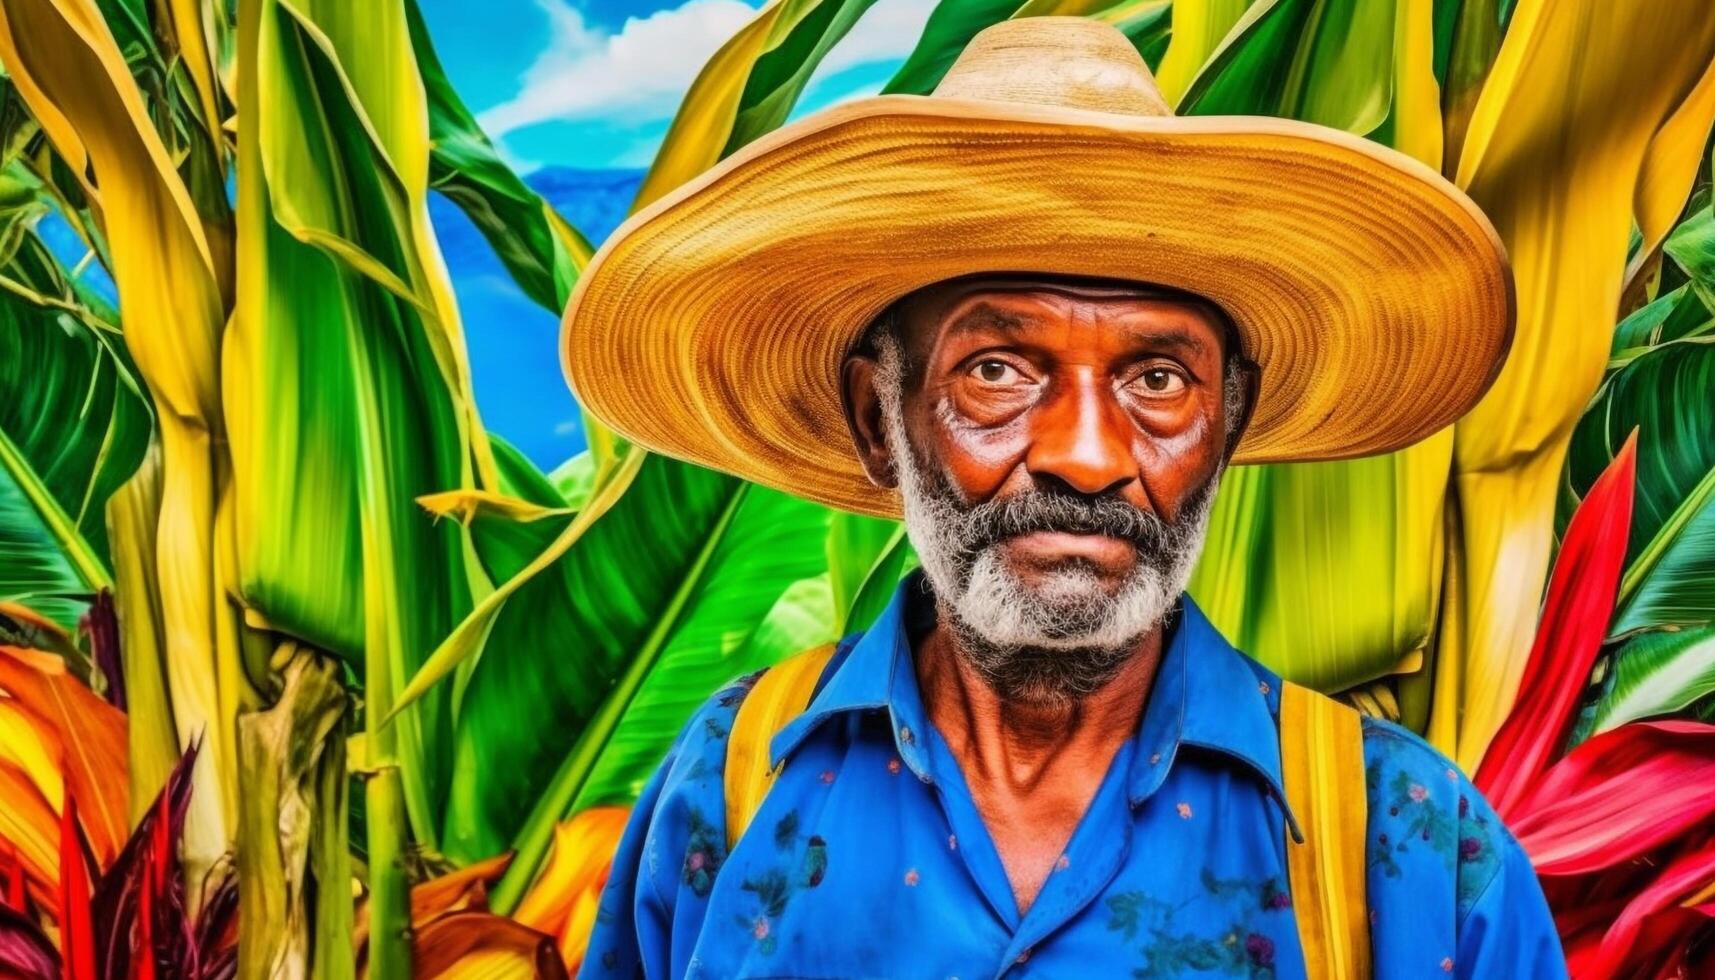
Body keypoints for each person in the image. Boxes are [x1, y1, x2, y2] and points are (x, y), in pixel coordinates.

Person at [559, 16, 1565, 979]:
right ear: (879, 416)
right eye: (996, 370)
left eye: (1158, 379)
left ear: (1229, 424)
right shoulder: (733, 779)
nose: (1085, 457)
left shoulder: (1403, 837)